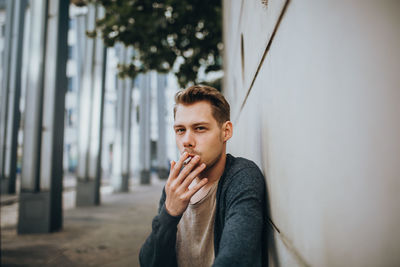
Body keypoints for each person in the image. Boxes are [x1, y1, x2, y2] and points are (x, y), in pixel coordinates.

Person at [139, 85, 267, 267]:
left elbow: (237, 258)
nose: (186, 141)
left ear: (226, 132)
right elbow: (148, 261)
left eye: (199, 128)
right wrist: (169, 213)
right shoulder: (175, 186)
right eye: (180, 130)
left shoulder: (241, 176)